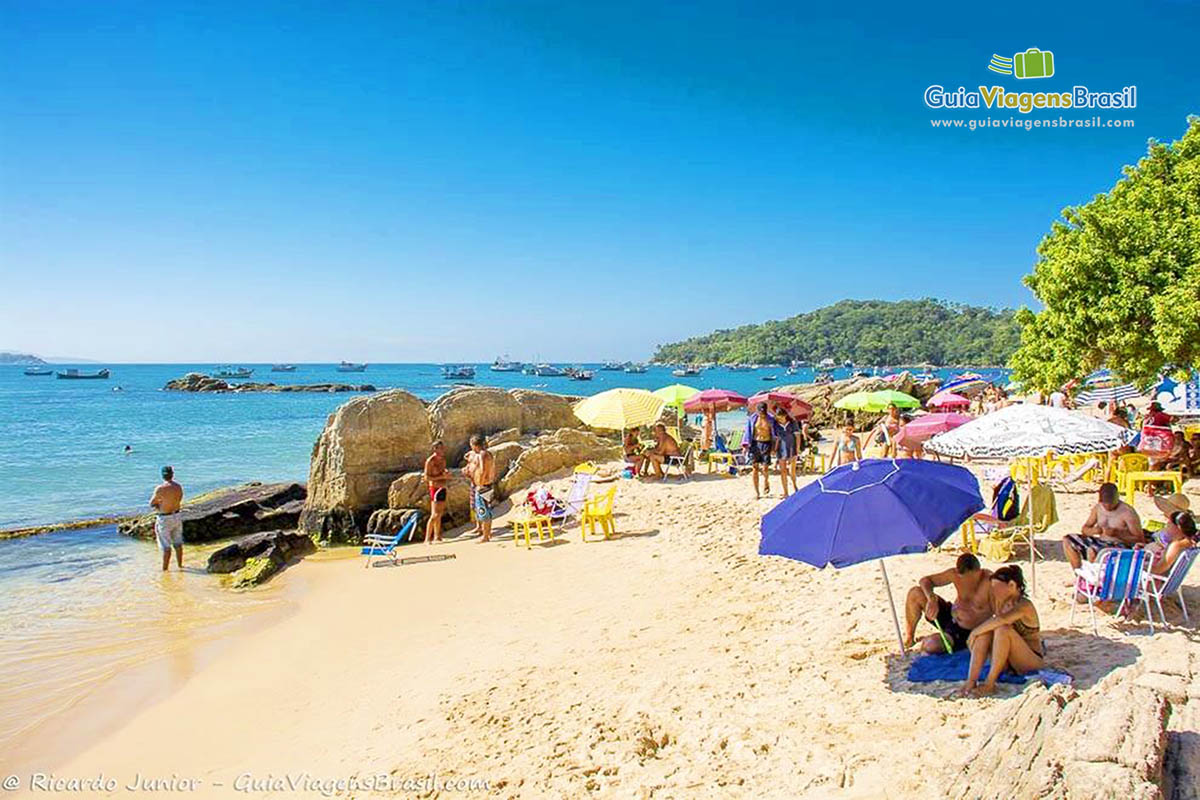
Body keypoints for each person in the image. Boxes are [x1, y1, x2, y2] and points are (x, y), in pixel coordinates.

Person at [959, 565, 1043, 697]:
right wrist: (978, 634)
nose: (994, 591)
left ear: (1012, 585)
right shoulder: (1001, 602)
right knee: (985, 632)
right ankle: (971, 681)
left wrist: (974, 632)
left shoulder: (1024, 605)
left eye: (997, 588)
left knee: (1002, 629)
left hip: (1029, 660)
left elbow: (1002, 620)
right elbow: (992, 624)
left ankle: (990, 683)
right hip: (1007, 660)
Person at [903, 553, 993, 654]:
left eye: (971, 578)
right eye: (964, 578)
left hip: (967, 630)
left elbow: (1004, 611)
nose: (968, 582)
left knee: (930, 645)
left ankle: (941, 640)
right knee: (915, 593)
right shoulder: (954, 574)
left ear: (979, 572)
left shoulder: (991, 581)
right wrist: (931, 599)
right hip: (951, 616)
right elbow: (925, 581)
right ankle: (910, 638)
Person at [1062, 483, 1143, 570]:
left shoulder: (1127, 512)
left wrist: (1118, 533)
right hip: (1101, 541)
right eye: (1105, 505)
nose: (1108, 507)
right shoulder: (1098, 508)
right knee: (1068, 540)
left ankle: (1094, 579)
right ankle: (1078, 574)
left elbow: (1140, 539)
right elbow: (1085, 529)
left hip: (1118, 545)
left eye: (1111, 504)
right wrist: (1095, 531)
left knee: (1092, 551)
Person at [150, 466, 184, 571]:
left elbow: (152, 503)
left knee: (165, 545)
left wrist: (160, 504)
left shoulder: (160, 488)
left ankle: (165, 570)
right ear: (172, 474)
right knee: (178, 543)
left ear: (162, 476)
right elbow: (179, 499)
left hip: (165, 517)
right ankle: (180, 565)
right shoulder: (178, 486)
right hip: (177, 515)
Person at [463, 434, 496, 542]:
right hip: (488, 485)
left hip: (483, 486)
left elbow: (483, 470)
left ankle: (485, 536)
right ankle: (487, 534)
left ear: (474, 445)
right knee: (486, 509)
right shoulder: (487, 454)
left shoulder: (482, 455)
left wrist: (480, 485)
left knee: (484, 511)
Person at [743, 403, 777, 499]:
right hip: (755, 444)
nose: (762, 414)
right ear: (757, 411)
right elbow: (747, 432)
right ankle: (757, 492)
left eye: (763, 412)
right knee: (755, 468)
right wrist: (745, 446)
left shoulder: (771, 419)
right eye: (760, 412)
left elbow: (774, 434)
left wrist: (774, 448)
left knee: (765, 468)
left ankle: (766, 481)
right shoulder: (752, 419)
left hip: (766, 443)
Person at [423, 441, 450, 544]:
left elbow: (442, 471)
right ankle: (427, 539)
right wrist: (441, 477)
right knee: (434, 514)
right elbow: (426, 477)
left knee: (440, 514)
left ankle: (437, 536)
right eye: (440, 448)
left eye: (443, 448)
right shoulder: (430, 461)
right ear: (435, 449)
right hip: (435, 488)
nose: (443, 450)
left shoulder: (443, 460)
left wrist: (446, 474)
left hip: (442, 487)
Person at [773, 407, 799, 497]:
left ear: (785, 416)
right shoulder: (775, 425)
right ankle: (786, 492)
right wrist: (774, 449)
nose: (779, 419)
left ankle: (795, 487)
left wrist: (798, 448)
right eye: (777, 418)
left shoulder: (793, 423)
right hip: (781, 448)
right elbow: (777, 438)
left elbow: (798, 437)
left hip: (792, 447)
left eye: (781, 417)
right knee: (783, 471)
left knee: (792, 471)